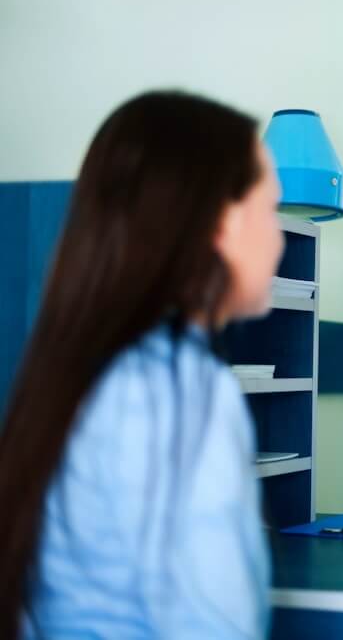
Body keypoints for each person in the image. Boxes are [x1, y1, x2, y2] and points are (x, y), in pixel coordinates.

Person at [0, 90, 283, 638]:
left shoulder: (83, 371)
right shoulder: (183, 393)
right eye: (269, 210)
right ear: (222, 225)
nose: (277, 239)